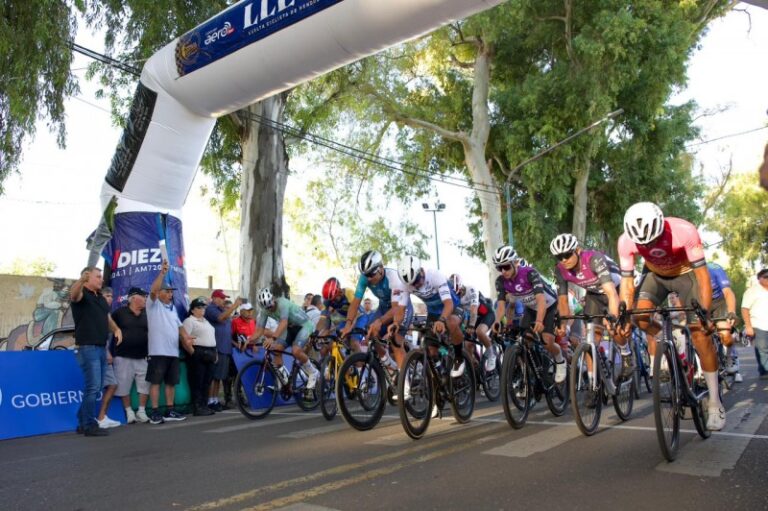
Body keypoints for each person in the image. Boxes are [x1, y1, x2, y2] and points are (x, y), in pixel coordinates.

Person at [617, 201, 725, 430]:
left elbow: (703, 277)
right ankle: (671, 338)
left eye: (652, 240)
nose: (648, 244)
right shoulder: (625, 241)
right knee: (640, 317)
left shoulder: (684, 231)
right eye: (642, 242)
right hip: (655, 275)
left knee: (700, 334)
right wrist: (624, 315)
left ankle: (715, 401)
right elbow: (627, 284)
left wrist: (704, 314)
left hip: (686, 276)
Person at [548, 233, 632, 377]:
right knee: (590, 340)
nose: (563, 260)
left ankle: (625, 353)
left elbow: (611, 293)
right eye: (559, 257)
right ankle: (593, 385)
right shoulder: (560, 270)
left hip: (615, 290)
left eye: (567, 255)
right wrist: (563, 325)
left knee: (614, 329)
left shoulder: (594, 259)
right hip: (594, 295)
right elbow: (563, 301)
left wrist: (613, 317)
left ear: (578, 250)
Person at [492, 246, 566, 383]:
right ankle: (534, 373)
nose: (503, 271)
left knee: (547, 342)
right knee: (525, 341)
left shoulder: (529, 273)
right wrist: (497, 321)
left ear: (515, 262)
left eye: (506, 266)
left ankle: (560, 360)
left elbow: (541, 300)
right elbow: (502, 305)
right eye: (499, 268)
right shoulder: (501, 281)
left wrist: (539, 320)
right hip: (531, 308)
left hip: (549, 306)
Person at [69, 267, 122, 437]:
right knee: (93, 387)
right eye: (98, 277)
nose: (101, 280)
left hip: (100, 347)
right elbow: (73, 295)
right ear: (87, 278)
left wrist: (116, 329)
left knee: (97, 386)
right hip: (87, 347)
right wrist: (80, 281)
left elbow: (107, 319)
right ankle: (89, 424)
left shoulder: (99, 298)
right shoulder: (82, 293)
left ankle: (82, 421)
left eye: (101, 277)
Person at [340, 250, 413, 374]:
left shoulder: (393, 277)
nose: (368, 278)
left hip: (401, 308)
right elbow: (355, 303)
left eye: (371, 274)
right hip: (384, 308)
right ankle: (388, 363)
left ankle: (405, 385)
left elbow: (396, 309)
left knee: (396, 342)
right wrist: (348, 325)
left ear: (381, 268)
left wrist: (379, 321)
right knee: (370, 331)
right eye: (366, 275)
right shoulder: (365, 278)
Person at [398, 255, 465, 377]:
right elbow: (401, 310)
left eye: (417, 280)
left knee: (451, 322)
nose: (416, 285)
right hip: (433, 313)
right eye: (412, 284)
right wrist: (395, 324)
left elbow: (448, 304)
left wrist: (441, 320)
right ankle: (440, 375)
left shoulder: (434, 276)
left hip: (452, 307)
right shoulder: (406, 285)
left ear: (422, 271)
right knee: (430, 351)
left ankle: (459, 358)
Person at [146, 260, 195, 424]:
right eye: (167, 291)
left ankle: (169, 410)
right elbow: (153, 290)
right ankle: (154, 412)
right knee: (155, 382)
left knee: (170, 383)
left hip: (173, 352)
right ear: (159, 293)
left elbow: (179, 327)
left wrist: (186, 337)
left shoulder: (173, 309)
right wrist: (162, 273)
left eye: (171, 292)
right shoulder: (152, 305)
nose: (170, 294)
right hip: (157, 352)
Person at [250, 288, 320, 389]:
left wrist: (273, 338)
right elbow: (259, 330)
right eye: (267, 308)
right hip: (290, 328)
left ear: (273, 299)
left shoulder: (282, 303)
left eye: (271, 306)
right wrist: (249, 340)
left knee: (296, 351)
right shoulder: (265, 310)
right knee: (277, 350)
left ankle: (313, 372)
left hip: (304, 325)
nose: (270, 309)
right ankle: (284, 381)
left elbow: (283, 322)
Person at [112, 287, 150, 424]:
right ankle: (129, 412)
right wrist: (109, 352)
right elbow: (109, 332)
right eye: (143, 296)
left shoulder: (147, 313)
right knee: (123, 385)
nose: (146, 299)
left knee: (145, 384)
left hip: (143, 356)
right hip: (122, 356)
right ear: (133, 298)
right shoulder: (119, 313)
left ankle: (141, 411)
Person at [448, 273, 496, 371]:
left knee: (479, 332)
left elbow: (474, 309)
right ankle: (473, 370)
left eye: (459, 292)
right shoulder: (453, 296)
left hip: (486, 314)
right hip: (473, 318)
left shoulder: (471, 289)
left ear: (461, 286)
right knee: (467, 344)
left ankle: (492, 355)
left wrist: (471, 325)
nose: (458, 295)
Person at [205, 289, 242, 411]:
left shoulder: (223, 310)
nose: (223, 300)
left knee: (219, 377)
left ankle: (215, 400)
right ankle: (210, 400)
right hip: (217, 347)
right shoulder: (211, 309)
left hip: (225, 348)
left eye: (224, 298)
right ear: (214, 298)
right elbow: (220, 318)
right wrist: (235, 306)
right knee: (213, 376)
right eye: (221, 298)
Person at [707, 263, 742, 383]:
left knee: (725, 335)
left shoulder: (714, 269)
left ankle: (731, 357)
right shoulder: (685, 273)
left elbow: (728, 292)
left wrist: (731, 312)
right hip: (701, 303)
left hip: (719, 302)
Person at [183, 297, 218, 416]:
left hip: (211, 352)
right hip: (198, 352)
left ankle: (204, 405)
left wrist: (215, 354)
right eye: (199, 307)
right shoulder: (189, 321)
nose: (202, 309)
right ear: (192, 310)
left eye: (203, 307)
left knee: (207, 381)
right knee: (197, 381)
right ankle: (197, 406)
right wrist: (193, 353)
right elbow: (184, 338)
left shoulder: (206, 321)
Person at [95, 287, 121, 429]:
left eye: (111, 296)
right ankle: (98, 418)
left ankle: (101, 417)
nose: (110, 298)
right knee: (97, 387)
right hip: (98, 354)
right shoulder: (97, 313)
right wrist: (107, 353)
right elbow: (99, 336)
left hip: (103, 353)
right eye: (107, 296)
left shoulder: (106, 313)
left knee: (111, 385)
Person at [742, 268, 768, 379]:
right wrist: (748, 326)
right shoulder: (752, 291)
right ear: (759, 279)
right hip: (759, 325)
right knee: (763, 349)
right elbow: (745, 309)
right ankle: (765, 371)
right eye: (766, 277)